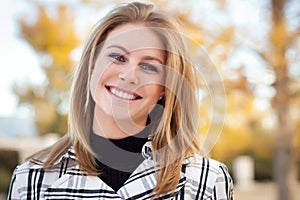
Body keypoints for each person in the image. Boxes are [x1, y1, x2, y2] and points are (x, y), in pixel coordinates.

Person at [8, 2, 233, 199]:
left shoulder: (207, 182)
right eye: (117, 57)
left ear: (165, 87)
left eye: (148, 66)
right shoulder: (30, 180)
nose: (129, 75)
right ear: (92, 66)